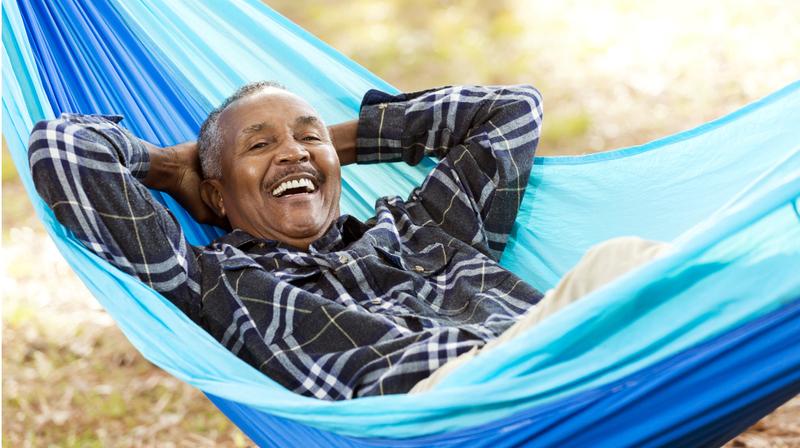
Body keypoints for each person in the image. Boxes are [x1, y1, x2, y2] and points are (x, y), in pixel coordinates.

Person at [29, 83, 666, 400]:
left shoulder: (424, 225)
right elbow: (62, 150)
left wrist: (331, 144)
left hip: (578, 360)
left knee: (635, 265)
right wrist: (175, 170)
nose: (290, 154)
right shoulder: (208, 282)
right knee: (629, 266)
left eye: (307, 137)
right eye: (259, 146)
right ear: (218, 197)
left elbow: (511, 110)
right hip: (449, 409)